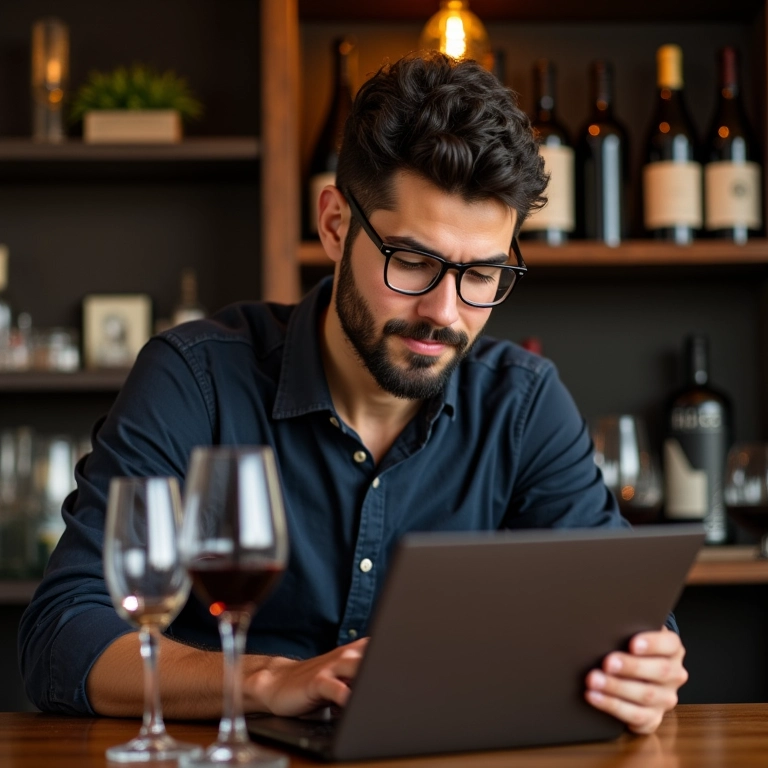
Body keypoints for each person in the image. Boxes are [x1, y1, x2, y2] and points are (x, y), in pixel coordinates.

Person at [19, 53, 687, 735]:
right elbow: (64, 636)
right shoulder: (195, 379)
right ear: (336, 225)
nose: (444, 312)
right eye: (413, 262)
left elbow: (626, 615)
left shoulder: (523, 404)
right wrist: (268, 681)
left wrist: (645, 666)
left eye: (482, 275)